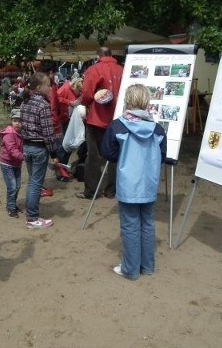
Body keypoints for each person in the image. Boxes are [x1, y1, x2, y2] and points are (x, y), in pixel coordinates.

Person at [99, 84, 167, 280]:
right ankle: (147, 266)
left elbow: (106, 152)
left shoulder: (118, 126)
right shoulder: (158, 129)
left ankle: (130, 269)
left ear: (128, 100)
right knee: (147, 223)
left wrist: (125, 155)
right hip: (149, 183)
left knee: (130, 225)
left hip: (128, 183)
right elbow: (162, 156)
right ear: (147, 101)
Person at [75, 47, 123, 200]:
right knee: (115, 155)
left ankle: (91, 191)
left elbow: (87, 94)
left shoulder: (94, 69)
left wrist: (84, 102)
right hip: (118, 118)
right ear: (111, 55)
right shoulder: (121, 69)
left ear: (98, 56)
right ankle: (111, 190)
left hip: (97, 119)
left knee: (93, 156)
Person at [19, 72, 57, 229]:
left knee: (32, 182)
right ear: (39, 87)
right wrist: (54, 152)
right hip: (38, 148)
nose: (50, 87)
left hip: (27, 146)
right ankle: (32, 218)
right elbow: (48, 132)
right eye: (48, 85)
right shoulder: (43, 105)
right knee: (36, 183)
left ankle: (31, 213)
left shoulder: (25, 102)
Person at [0, 109, 23, 218]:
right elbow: (12, 150)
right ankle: (11, 208)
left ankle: (12, 204)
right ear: (11, 121)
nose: (17, 123)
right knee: (12, 186)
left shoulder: (21, 133)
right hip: (7, 164)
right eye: (15, 120)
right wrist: (23, 156)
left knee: (17, 186)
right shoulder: (9, 134)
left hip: (16, 164)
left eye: (20, 121)